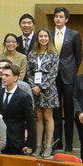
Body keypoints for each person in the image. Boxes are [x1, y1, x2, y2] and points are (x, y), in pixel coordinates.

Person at [51, 7, 83, 153]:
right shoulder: (49, 34)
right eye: (56, 16)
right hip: (53, 77)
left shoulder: (74, 34)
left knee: (69, 111)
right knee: (56, 112)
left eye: (61, 16)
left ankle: (69, 143)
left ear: (66, 19)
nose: (58, 19)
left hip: (68, 77)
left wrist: (72, 71)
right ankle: (58, 142)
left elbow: (78, 55)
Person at [28, 28, 59, 158]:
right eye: (41, 36)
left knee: (47, 116)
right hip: (34, 90)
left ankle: (48, 146)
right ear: (37, 38)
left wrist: (41, 86)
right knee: (38, 117)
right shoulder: (31, 53)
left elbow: (53, 73)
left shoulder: (54, 54)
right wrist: (33, 86)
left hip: (49, 89)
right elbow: (29, 72)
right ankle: (38, 145)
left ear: (49, 38)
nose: (43, 38)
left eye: (45, 36)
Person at [0, 64, 35, 155]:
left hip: (16, 141)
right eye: (3, 75)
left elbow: (30, 122)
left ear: (15, 78)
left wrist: (30, 145)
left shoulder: (23, 97)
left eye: (7, 75)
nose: (3, 77)